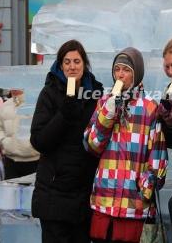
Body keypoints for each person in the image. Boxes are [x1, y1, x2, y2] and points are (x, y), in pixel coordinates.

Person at [85, 47, 168, 243]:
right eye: (117, 70)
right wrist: (108, 113)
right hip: (104, 200)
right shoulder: (104, 103)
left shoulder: (150, 108)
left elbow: (158, 156)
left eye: (126, 70)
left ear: (136, 73)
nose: (120, 75)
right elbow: (92, 145)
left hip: (134, 206)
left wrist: (144, 189)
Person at [30, 40, 104, 243]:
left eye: (77, 61)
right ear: (60, 65)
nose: (72, 66)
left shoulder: (95, 94)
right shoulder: (50, 93)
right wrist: (64, 114)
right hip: (55, 194)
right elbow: (39, 141)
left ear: (84, 64)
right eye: (67, 62)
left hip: (84, 194)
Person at [0, 89, 39, 179]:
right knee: (10, 192)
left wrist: (36, 145)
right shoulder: (5, 105)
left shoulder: (36, 102)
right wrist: (3, 141)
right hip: (10, 160)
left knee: (32, 192)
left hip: (34, 160)